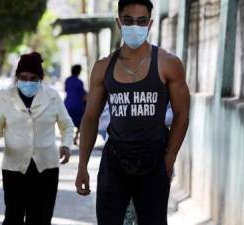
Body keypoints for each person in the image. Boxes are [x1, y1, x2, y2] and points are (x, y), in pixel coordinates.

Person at [75, 0, 190, 225]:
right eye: (128, 21)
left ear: (150, 24)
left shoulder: (168, 64)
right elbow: (90, 118)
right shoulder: (103, 67)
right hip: (115, 161)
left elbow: (182, 114)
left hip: (154, 159)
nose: (134, 27)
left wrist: (168, 159)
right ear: (119, 22)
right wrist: (82, 166)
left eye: (141, 21)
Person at [0, 52, 74, 225]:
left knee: (40, 217)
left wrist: (66, 145)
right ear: (17, 77)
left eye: (33, 78)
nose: (28, 82)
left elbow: (67, 125)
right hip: (14, 167)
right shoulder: (5, 96)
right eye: (23, 77)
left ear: (40, 78)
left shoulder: (52, 96)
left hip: (46, 168)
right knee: (13, 216)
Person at [64, 64, 87, 145]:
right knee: (81, 123)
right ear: (79, 72)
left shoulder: (67, 80)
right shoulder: (79, 82)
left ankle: (68, 139)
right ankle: (75, 138)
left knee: (68, 123)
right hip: (77, 106)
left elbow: (66, 90)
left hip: (67, 104)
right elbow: (83, 96)